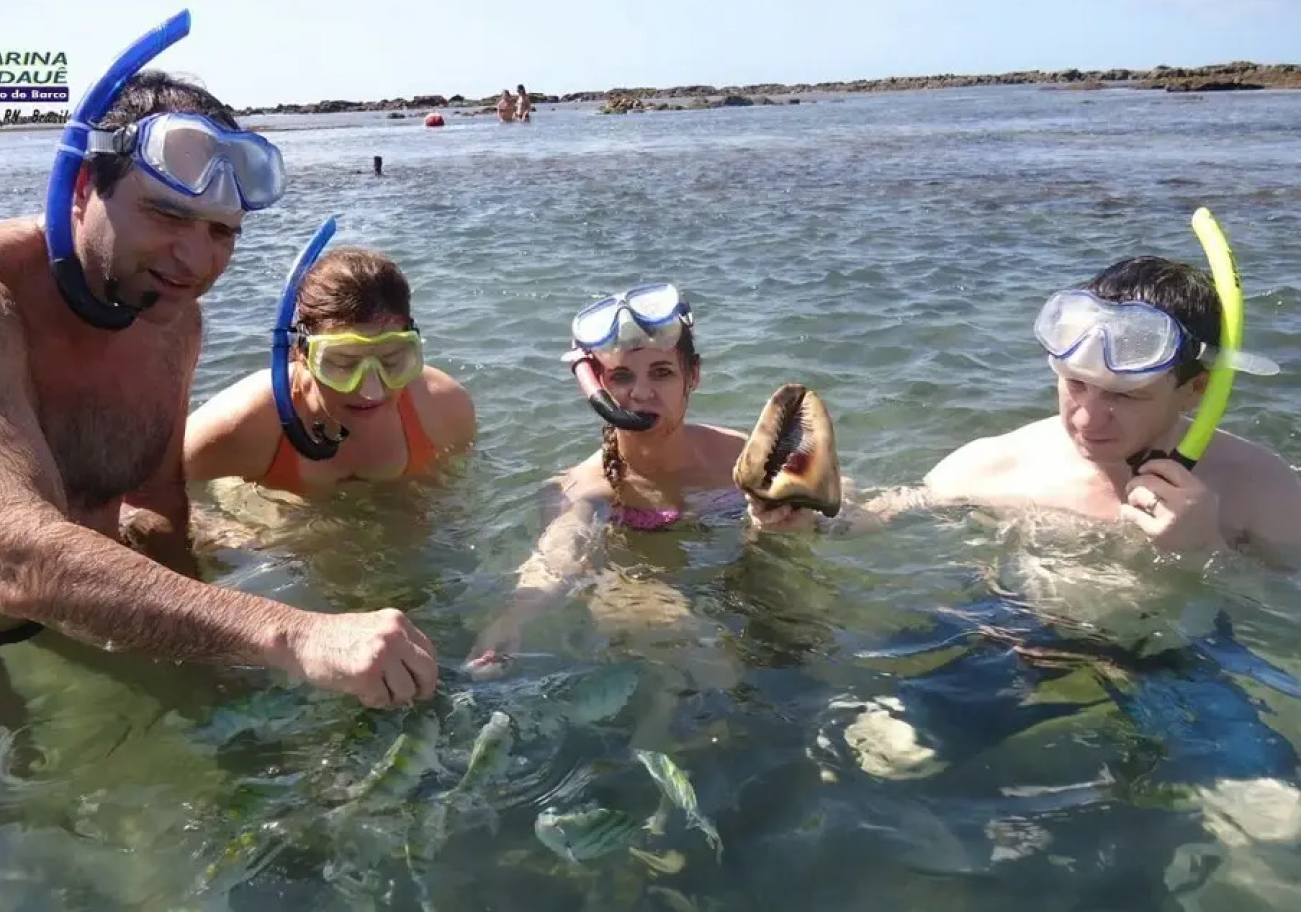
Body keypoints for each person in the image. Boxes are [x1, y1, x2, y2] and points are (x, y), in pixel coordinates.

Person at [0, 14, 437, 710]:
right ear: (81, 190)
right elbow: (17, 556)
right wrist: (292, 634)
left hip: (97, 618)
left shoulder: (170, 318)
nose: (195, 261)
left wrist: (215, 684)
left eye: (221, 232)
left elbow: (159, 506)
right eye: (165, 215)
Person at [753, 254, 1301, 568]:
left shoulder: (1264, 490)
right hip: (1018, 643)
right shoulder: (1001, 463)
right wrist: (799, 516)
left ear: (1195, 389)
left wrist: (1204, 550)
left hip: (1180, 665)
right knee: (881, 750)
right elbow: (883, 514)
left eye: (1126, 396)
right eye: (1074, 386)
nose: (1086, 419)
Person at [465, 283, 838, 670]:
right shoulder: (580, 489)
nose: (641, 392)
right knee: (697, 649)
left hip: (732, 579)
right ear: (598, 388)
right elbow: (556, 559)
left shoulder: (736, 456)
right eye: (622, 377)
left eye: (661, 373)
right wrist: (510, 620)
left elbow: (840, 514)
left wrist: (806, 517)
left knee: (809, 627)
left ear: (692, 376)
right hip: (638, 593)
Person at [183, 242, 476, 496]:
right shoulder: (246, 423)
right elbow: (149, 489)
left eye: (391, 360)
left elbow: (457, 496)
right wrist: (220, 533)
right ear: (301, 353)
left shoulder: (446, 408)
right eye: (344, 363)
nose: (370, 390)